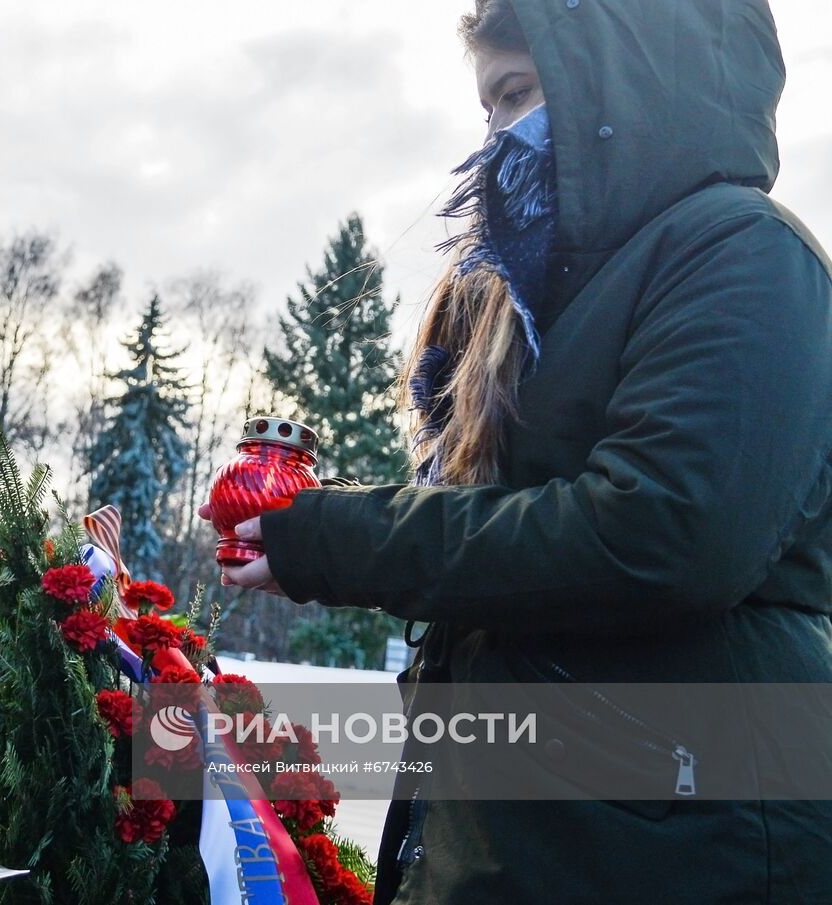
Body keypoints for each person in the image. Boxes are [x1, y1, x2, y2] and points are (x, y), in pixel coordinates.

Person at [205, 0, 832, 901]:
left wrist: (341, 538)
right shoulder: (526, 303)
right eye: (488, 107)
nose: (497, 137)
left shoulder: (743, 251)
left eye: (518, 93)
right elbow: (500, 555)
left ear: (620, 81)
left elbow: (658, 533)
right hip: (524, 834)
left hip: (684, 847)